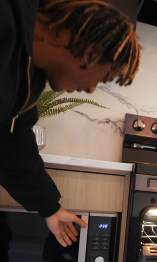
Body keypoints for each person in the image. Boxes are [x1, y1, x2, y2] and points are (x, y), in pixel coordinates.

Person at [1, 0, 140, 247]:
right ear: (88, 48)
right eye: (101, 77)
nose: (89, 88)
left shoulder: (29, 79)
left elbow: (12, 144)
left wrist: (50, 208)